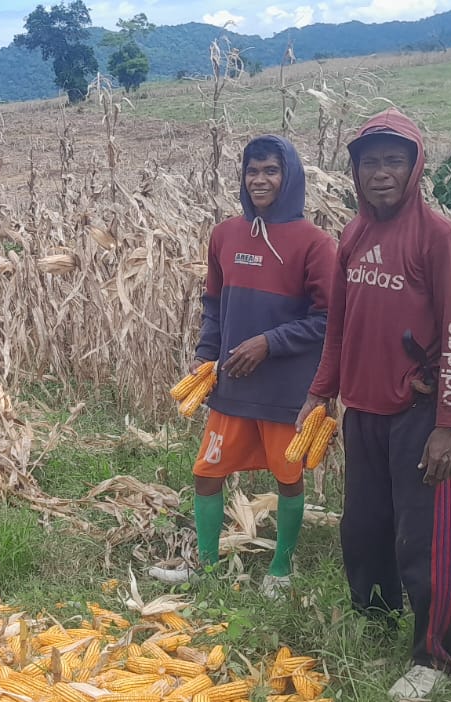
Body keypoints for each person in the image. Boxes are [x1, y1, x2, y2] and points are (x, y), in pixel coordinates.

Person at [298, 108, 451, 701]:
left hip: (419, 415)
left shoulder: (439, 238)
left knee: (425, 541)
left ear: (414, 167)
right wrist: (320, 391)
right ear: (355, 171)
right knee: (365, 529)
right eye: (370, 162)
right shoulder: (353, 235)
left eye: (393, 161)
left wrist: (449, 425)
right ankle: (375, 621)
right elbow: (338, 327)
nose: (381, 173)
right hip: (363, 413)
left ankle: (434, 657)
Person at [148, 134, 335, 597]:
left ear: (289, 176)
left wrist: (269, 343)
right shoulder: (225, 235)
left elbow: (328, 318)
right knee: (206, 473)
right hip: (232, 383)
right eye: (252, 171)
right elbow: (214, 303)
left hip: (286, 390)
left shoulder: (315, 244)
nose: (259, 180)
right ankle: (206, 568)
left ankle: (281, 570)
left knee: (288, 478)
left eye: (271, 170)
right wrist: (205, 354)